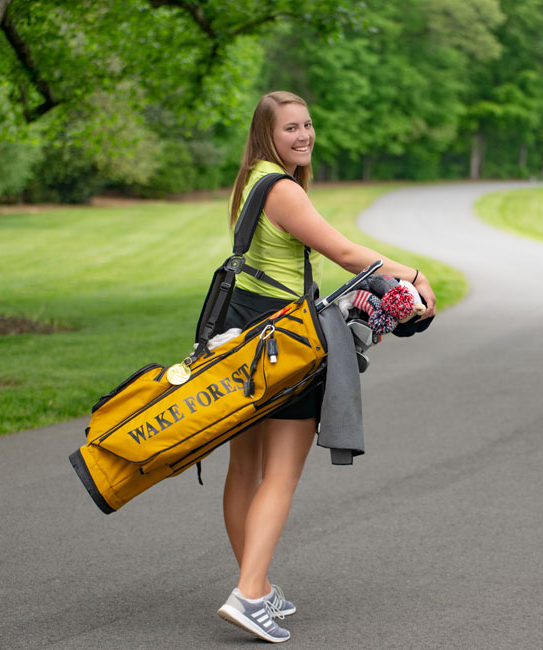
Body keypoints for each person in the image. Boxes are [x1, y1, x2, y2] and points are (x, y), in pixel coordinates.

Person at [215, 90, 436, 643]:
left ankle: (257, 585)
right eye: (291, 128)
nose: (304, 135)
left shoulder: (252, 181)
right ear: (269, 133)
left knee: (245, 468)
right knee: (281, 472)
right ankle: (247, 593)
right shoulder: (282, 189)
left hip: (241, 333)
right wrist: (412, 274)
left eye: (308, 124)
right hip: (280, 339)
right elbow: (343, 253)